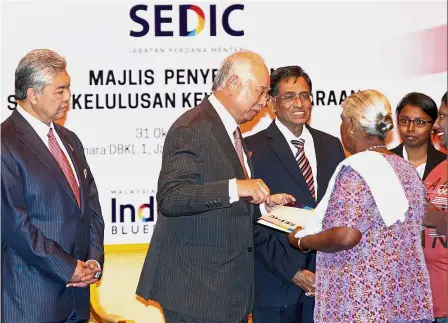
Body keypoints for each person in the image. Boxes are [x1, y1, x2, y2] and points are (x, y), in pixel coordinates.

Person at [136, 51, 295, 323]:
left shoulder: (229, 130)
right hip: (197, 290)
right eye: (260, 91)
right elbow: (172, 197)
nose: (264, 103)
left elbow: (224, 201)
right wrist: (236, 187)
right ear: (233, 83)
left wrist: (262, 205)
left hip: (226, 290)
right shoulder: (192, 127)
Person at [288, 90, 433, 322]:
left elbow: (346, 235)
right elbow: (419, 236)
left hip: (362, 305)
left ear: (352, 124)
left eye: (343, 120)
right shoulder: (406, 169)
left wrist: (302, 241)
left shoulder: (357, 169)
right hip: (404, 304)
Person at [1, 49, 104, 323]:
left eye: (68, 88)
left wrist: (93, 261)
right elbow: (15, 225)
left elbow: (91, 207)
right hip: (32, 299)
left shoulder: (70, 140)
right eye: (60, 90)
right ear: (33, 94)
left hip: (77, 300)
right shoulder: (5, 143)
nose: (68, 97)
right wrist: (67, 268)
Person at [245, 66, 345, 323]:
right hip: (276, 285)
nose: (299, 103)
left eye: (305, 95)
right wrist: (293, 272)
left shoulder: (331, 144)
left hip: (328, 282)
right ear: (272, 103)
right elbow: (249, 221)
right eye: (289, 96)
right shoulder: (251, 148)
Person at [422, 92, 447, 323]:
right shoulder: (439, 169)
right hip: (429, 304)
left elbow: (439, 221)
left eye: (442, 116)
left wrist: (442, 223)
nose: (436, 124)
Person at [391, 92, 445, 181]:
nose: (410, 128)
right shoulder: (385, 161)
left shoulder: (444, 163)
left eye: (419, 122)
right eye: (404, 121)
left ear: (434, 125)